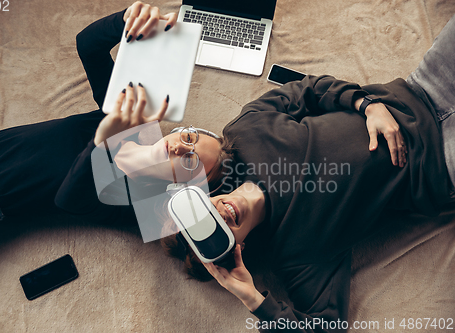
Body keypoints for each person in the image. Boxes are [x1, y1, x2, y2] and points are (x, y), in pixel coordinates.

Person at [162, 13, 455, 333]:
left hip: (421, 88)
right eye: (215, 233)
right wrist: (254, 300)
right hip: (441, 164)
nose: (218, 216)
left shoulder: (245, 132)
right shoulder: (298, 255)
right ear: (236, 251)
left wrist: (366, 104)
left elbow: (310, 90)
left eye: (202, 213)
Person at [0, 1, 231, 234]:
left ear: (186, 185)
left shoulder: (138, 205)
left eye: (190, 160)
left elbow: (70, 199)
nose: (180, 146)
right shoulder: (138, 122)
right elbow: (88, 46)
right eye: (190, 138)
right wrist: (126, 21)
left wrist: (105, 137)